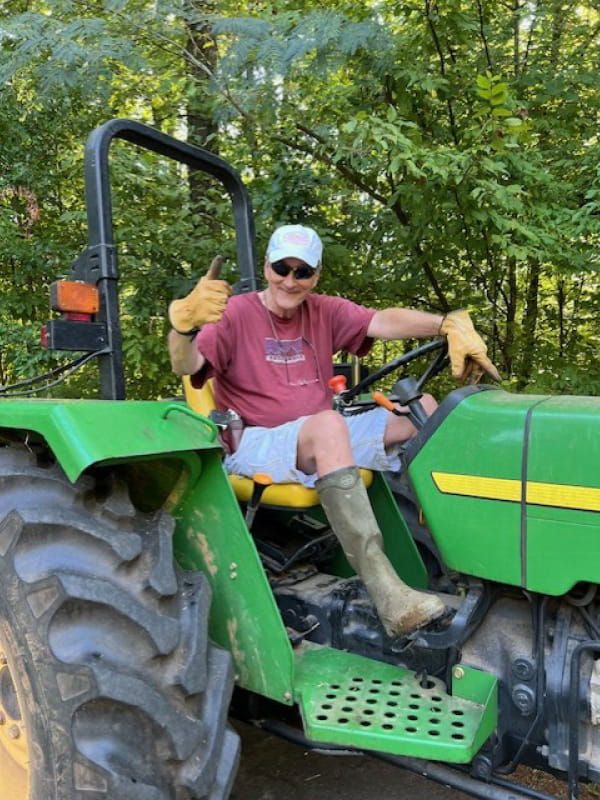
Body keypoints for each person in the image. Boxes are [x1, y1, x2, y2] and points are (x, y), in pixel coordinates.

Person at [168, 224, 500, 637]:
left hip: (319, 436)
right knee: (328, 425)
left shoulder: (323, 310)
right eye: (281, 268)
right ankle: (390, 595)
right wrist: (182, 327)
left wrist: (446, 324)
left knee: (426, 408)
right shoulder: (235, 313)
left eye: (301, 271)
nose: (290, 280)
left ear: (316, 275)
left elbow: (383, 320)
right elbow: (186, 365)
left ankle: (462, 559)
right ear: (267, 266)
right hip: (255, 441)